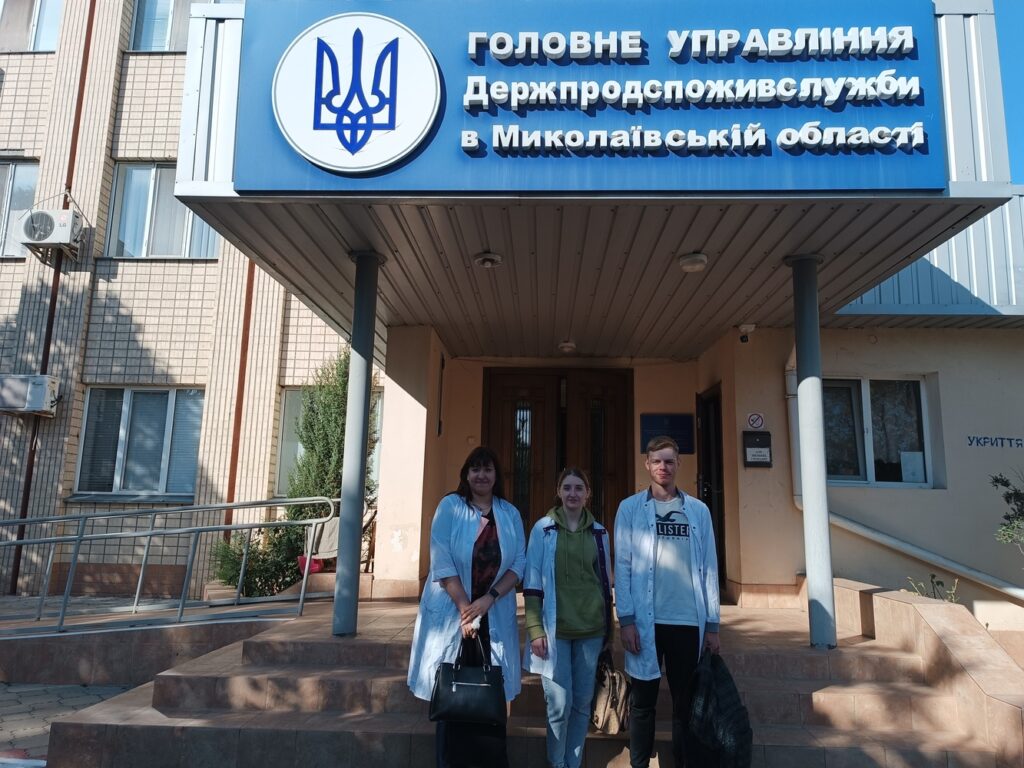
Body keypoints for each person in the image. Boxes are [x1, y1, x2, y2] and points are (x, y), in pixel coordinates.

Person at [407, 446, 526, 768]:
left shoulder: (509, 513)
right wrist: (466, 610)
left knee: (490, 692)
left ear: (496, 475)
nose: (481, 475)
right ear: (466, 474)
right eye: (475, 469)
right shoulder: (450, 506)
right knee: (452, 690)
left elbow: (518, 563)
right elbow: (442, 561)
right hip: (455, 613)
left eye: (488, 469)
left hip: (492, 613)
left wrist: (488, 600)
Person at [614, 435, 721, 768]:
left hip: (687, 620)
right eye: (657, 461)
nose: (663, 467)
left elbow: (709, 568)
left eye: (669, 461)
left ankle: (683, 762)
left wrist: (713, 625)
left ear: (678, 464)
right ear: (647, 464)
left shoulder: (698, 511)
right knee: (643, 702)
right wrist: (626, 619)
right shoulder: (630, 509)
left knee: (684, 705)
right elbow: (623, 566)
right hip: (645, 622)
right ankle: (639, 764)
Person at [522, 467, 613, 768]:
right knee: (559, 704)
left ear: (588, 494)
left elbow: (605, 583)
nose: (573, 493)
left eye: (579, 488)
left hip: (590, 629)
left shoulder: (599, 533)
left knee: (582, 702)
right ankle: (557, 763)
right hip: (555, 630)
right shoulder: (543, 530)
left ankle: (572, 764)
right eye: (567, 487)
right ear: (558, 492)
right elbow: (532, 580)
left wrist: (609, 631)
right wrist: (535, 628)